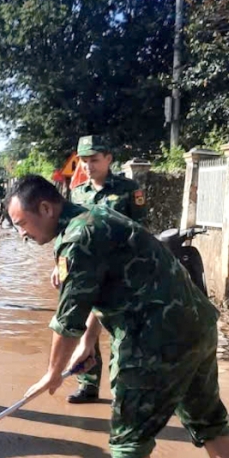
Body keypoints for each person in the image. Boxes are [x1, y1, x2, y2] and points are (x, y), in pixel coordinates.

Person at [7, 174, 229, 458]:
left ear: (45, 208)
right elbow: (101, 288)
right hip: (195, 326)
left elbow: (67, 320)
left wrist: (51, 374)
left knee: (129, 437)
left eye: (22, 224)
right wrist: (89, 342)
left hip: (154, 341)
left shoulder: (77, 238)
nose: (21, 234)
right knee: (210, 421)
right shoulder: (97, 216)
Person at [62, 134, 148, 405]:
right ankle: (87, 384)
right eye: (84, 161)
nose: (88, 166)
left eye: (94, 160)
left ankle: (121, 391)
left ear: (108, 158)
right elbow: (68, 233)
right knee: (83, 325)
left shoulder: (128, 190)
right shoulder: (78, 193)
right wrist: (59, 266)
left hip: (120, 273)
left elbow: (141, 231)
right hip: (86, 271)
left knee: (120, 330)